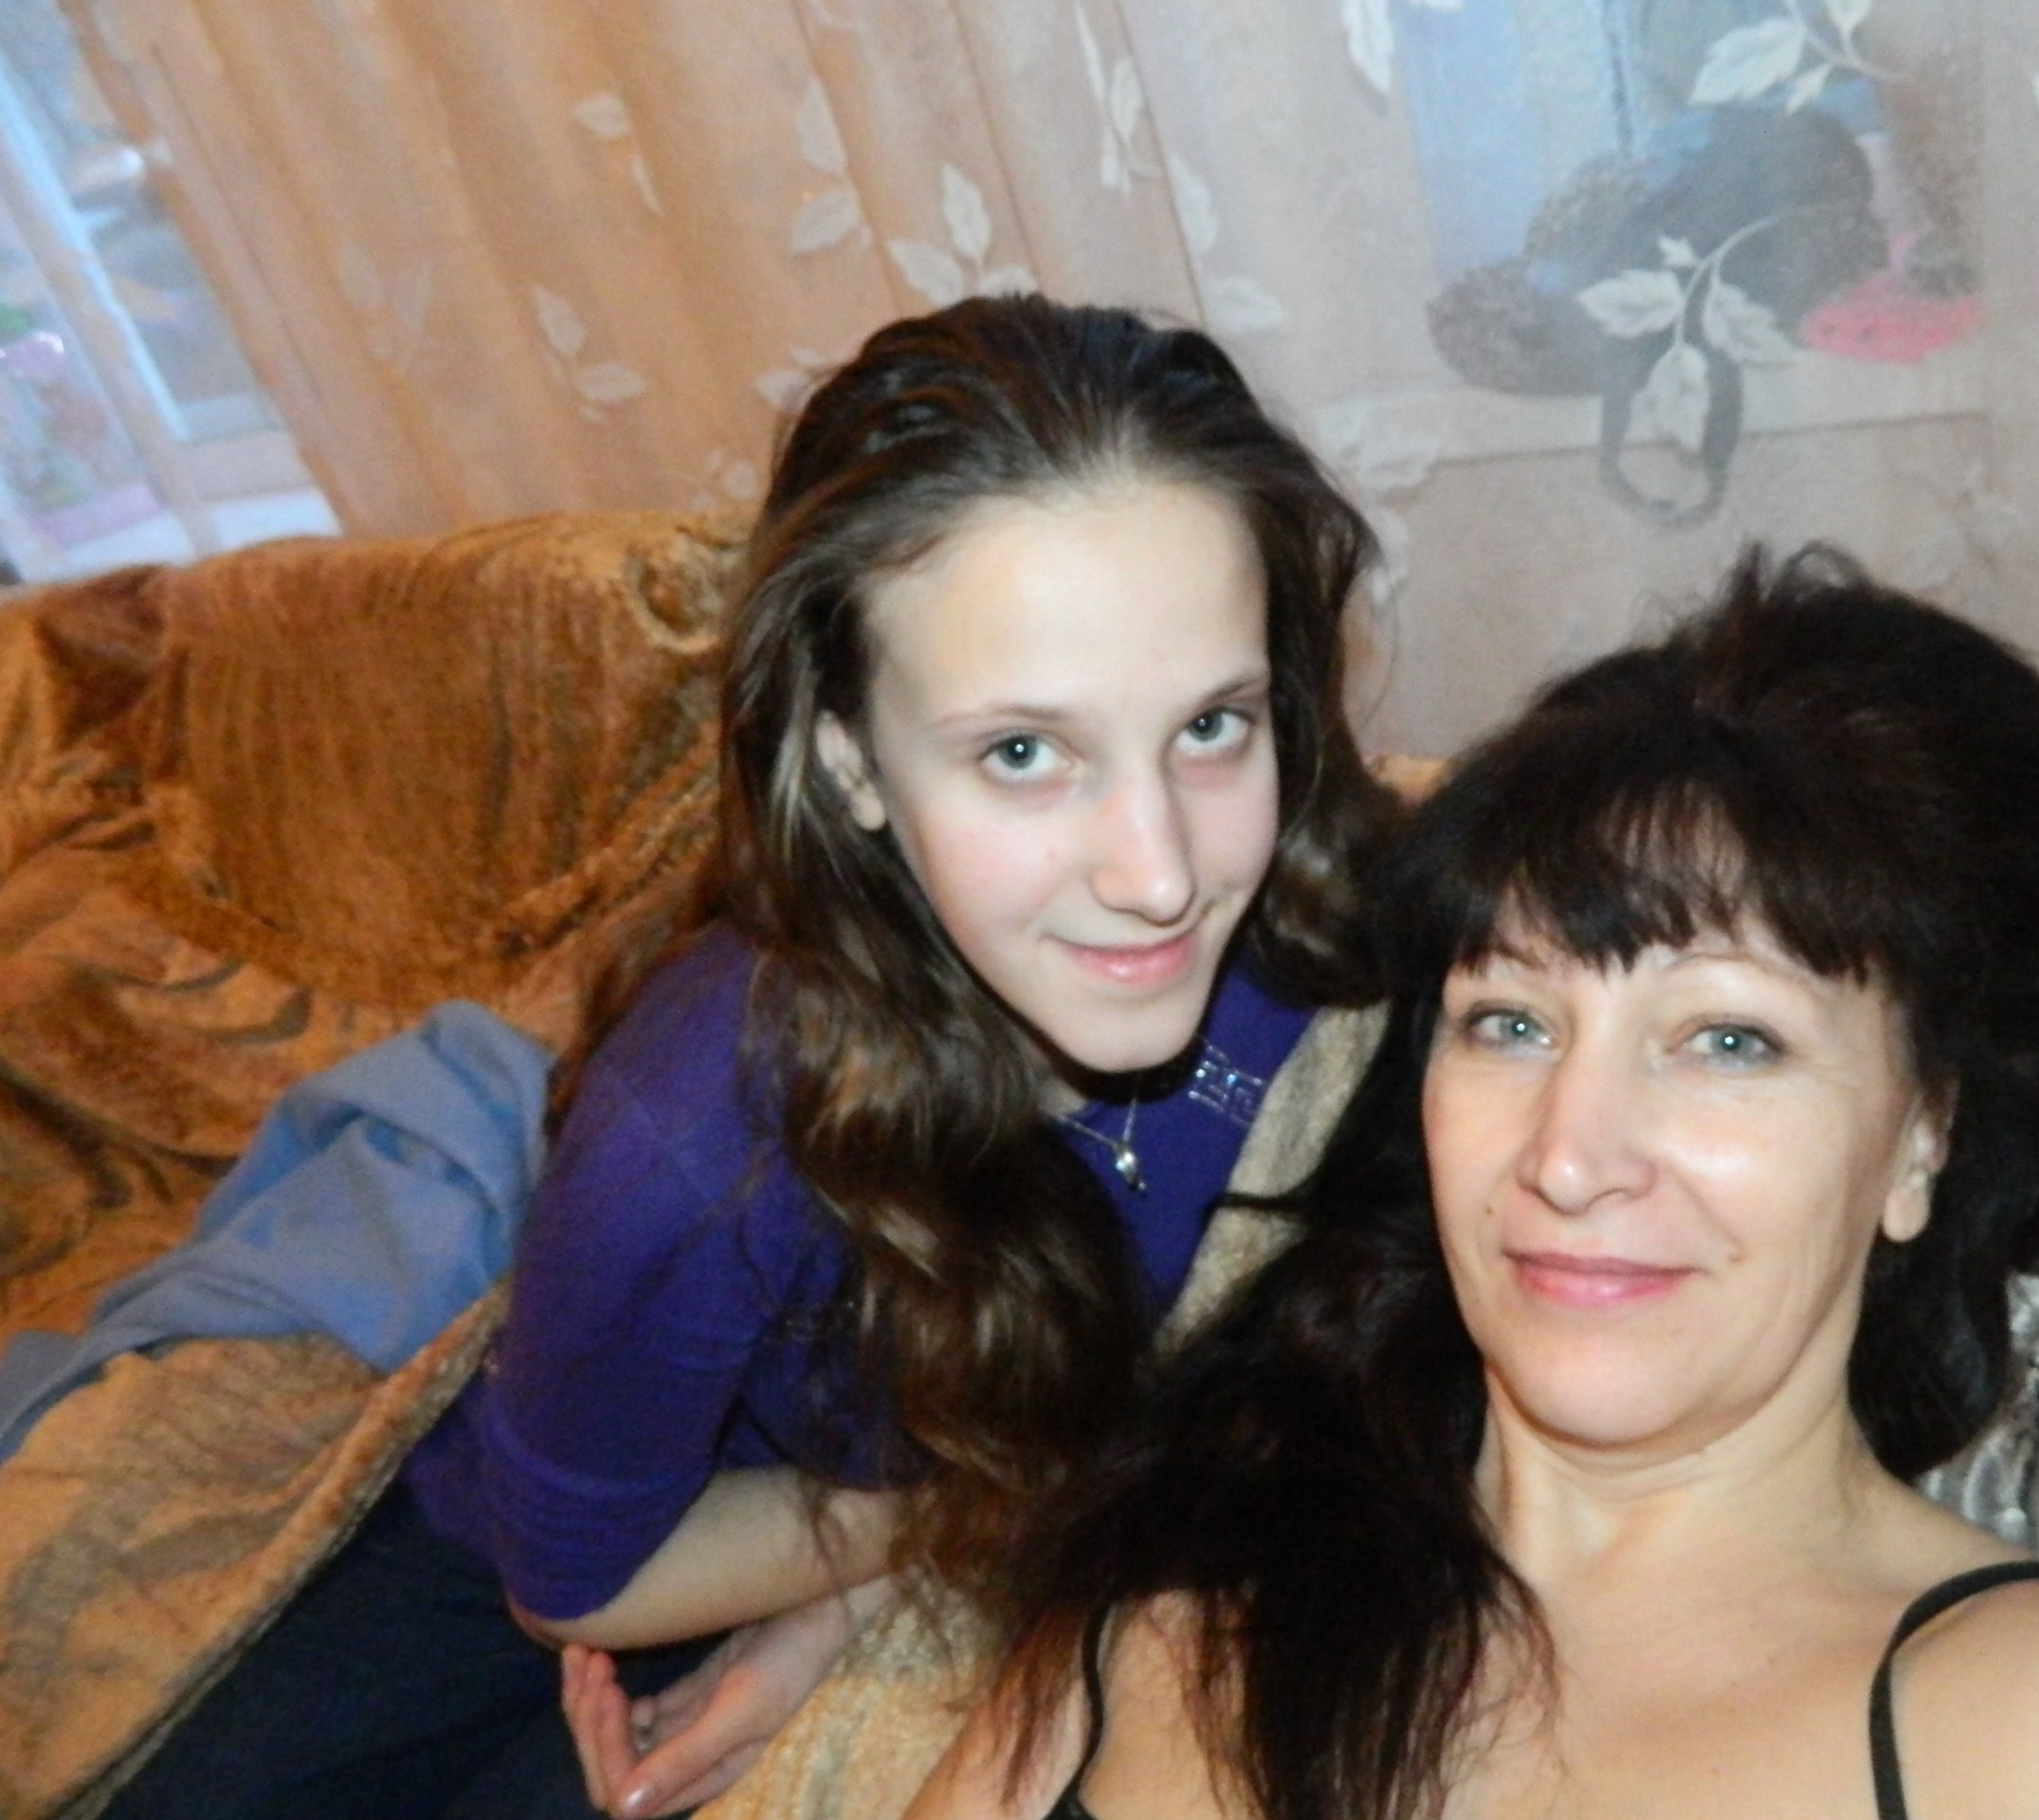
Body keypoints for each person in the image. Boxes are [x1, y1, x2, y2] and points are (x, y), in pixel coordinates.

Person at [101, 294, 1396, 1820]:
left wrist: (859, 1603)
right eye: (1022, 753)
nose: (1159, 872)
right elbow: (571, 1584)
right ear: (850, 762)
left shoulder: (1334, 933)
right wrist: (934, 1527)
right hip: (592, 1546)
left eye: (1212, 726)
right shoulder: (699, 1139)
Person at [910, 547, 2039, 1820]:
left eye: (1727, 1041)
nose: (1569, 1156)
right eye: (1510, 1024)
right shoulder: (1148, 1642)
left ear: (1922, 1136)